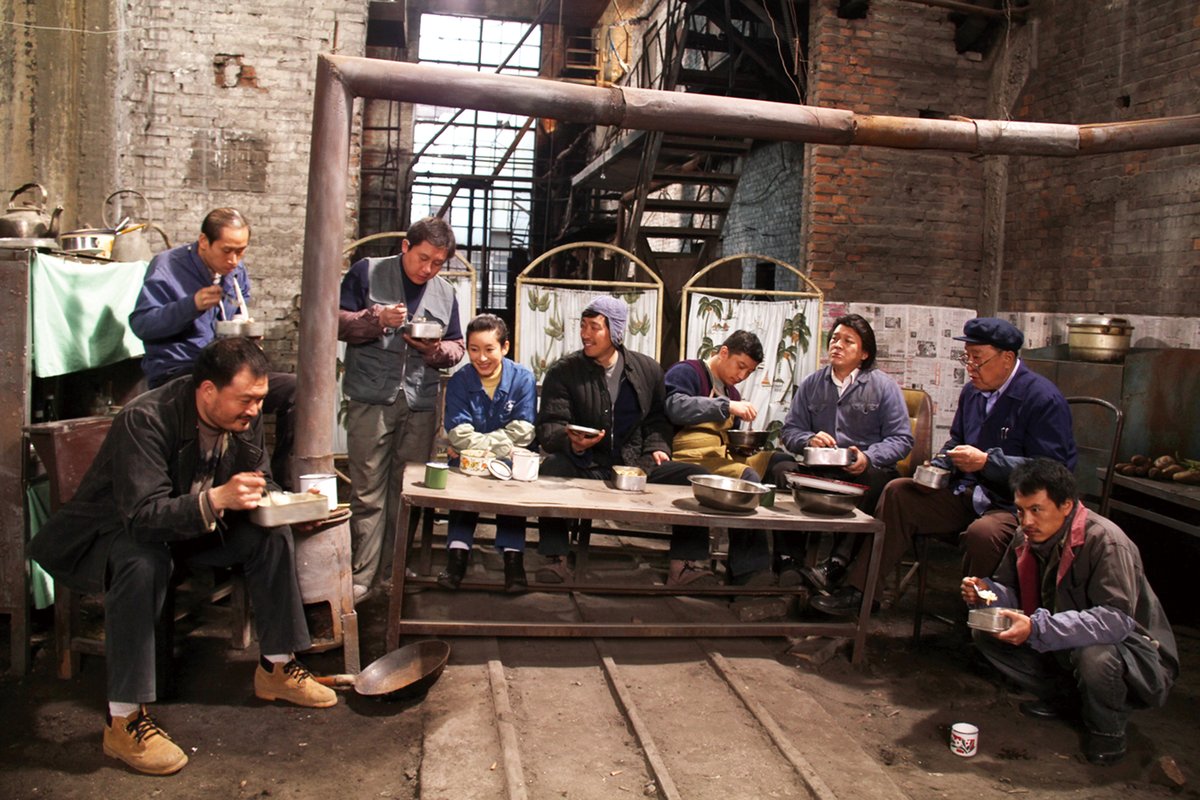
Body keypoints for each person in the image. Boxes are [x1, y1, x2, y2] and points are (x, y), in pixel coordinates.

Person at [29, 338, 336, 777]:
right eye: (246, 400)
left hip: (188, 526)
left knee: (271, 536)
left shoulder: (241, 418)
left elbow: (259, 479)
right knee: (143, 561)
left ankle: (278, 667)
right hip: (115, 532)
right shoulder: (145, 419)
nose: (253, 411)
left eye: (260, 401)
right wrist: (217, 498)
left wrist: (287, 504)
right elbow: (141, 516)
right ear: (208, 391)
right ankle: (124, 719)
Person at [812, 316, 1077, 616]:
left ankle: (983, 621)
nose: (971, 368)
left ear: (1007, 358)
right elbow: (956, 441)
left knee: (984, 534)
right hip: (968, 493)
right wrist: (939, 465)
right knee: (899, 492)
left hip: (1011, 505)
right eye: (967, 358)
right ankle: (861, 593)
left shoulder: (1041, 398)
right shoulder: (973, 392)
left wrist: (988, 462)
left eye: (978, 359)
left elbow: (1053, 471)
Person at [962, 459, 1177, 766]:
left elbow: (1114, 621)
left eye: (1037, 509)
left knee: (1095, 655)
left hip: (1133, 654)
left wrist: (1037, 628)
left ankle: (1108, 731)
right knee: (986, 631)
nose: (1026, 520)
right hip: (1065, 638)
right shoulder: (1027, 536)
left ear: (1066, 505)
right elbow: (1009, 589)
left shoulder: (1106, 541)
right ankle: (1066, 699)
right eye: (1021, 510)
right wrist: (986, 593)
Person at [535, 295, 716, 586]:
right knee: (553, 466)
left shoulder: (647, 371)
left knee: (697, 477)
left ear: (616, 332)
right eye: (583, 326)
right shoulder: (564, 371)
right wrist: (572, 443)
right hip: (588, 463)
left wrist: (657, 446)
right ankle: (555, 559)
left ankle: (684, 566)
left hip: (636, 466)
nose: (585, 334)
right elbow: (550, 426)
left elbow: (658, 420)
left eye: (594, 327)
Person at [339, 216, 465, 602]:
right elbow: (336, 322)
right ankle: (363, 574)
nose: (428, 269)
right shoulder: (367, 273)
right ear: (406, 247)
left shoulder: (445, 293)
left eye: (438, 263)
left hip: (420, 403)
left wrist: (436, 351)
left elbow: (457, 346)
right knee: (367, 491)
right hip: (371, 399)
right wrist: (374, 318)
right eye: (423, 258)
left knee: (405, 489)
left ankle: (393, 570)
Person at [129, 208, 296, 487]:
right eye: (227, 250)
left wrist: (244, 337)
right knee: (237, 395)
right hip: (180, 370)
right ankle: (229, 485)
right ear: (203, 242)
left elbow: (233, 318)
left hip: (225, 369)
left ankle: (280, 486)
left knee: (295, 389)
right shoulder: (167, 267)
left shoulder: (235, 271)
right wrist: (190, 306)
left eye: (241, 251)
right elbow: (142, 324)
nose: (234, 260)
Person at [770, 314, 913, 588]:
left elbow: (901, 439)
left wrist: (868, 457)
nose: (837, 345)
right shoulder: (813, 384)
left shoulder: (883, 387)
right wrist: (809, 439)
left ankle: (838, 563)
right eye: (834, 339)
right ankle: (789, 559)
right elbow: (790, 431)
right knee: (780, 467)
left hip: (860, 472)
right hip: (820, 469)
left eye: (848, 341)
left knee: (875, 480)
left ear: (864, 353)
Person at [663, 329, 778, 584]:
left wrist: (743, 447)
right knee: (746, 480)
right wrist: (724, 406)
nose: (742, 375)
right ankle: (748, 572)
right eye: (740, 366)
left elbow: (728, 437)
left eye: (748, 372)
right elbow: (675, 407)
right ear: (723, 352)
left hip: (718, 456)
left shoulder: (732, 392)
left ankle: (781, 560)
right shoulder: (688, 372)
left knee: (776, 463)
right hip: (684, 454)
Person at [436, 314, 536, 592]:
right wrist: (499, 445)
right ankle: (457, 555)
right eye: (474, 349)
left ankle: (513, 560)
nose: (481, 358)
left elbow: (525, 430)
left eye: (489, 349)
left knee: (514, 494)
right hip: (468, 461)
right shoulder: (459, 381)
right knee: (462, 486)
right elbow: (458, 433)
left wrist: (479, 446)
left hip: (508, 464)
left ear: (505, 347)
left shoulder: (523, 378)